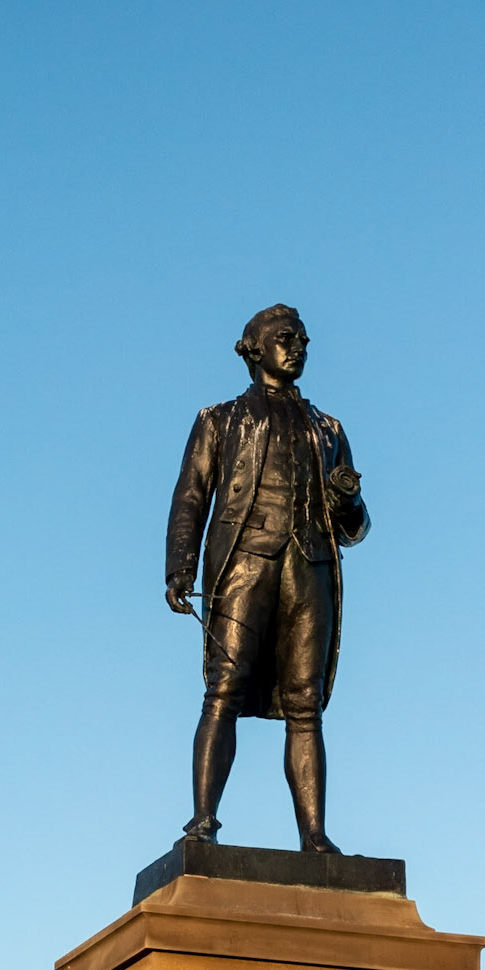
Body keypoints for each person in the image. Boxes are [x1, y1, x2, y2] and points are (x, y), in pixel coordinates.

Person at [165, 305, 369, 851]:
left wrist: (346, 499)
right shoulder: (220, 419)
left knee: (306, 705)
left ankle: (315, 836)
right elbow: (191, 495)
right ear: (255, 348)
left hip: (310, 567)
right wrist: (180, 566)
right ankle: (203, 823)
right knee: (222, 692)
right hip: (244, 564)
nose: (297, 347)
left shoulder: (329, 429)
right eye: (284, 339)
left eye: (302, 339)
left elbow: (356, 527)